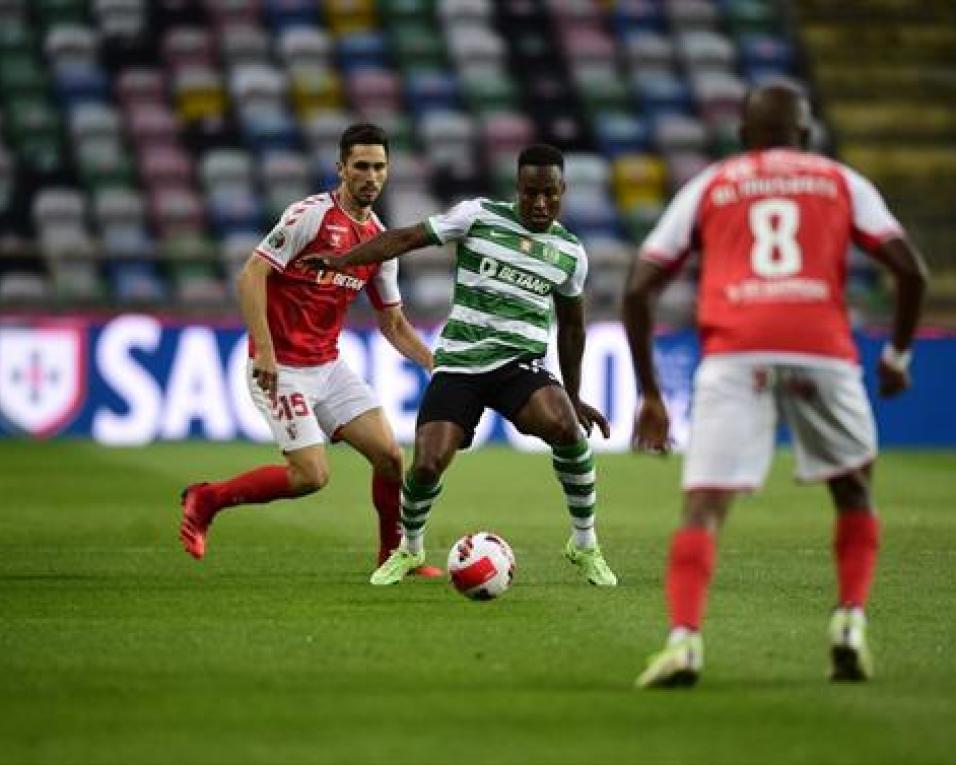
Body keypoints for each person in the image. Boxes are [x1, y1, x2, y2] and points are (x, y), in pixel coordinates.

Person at [622, 83, 928, 688]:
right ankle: (848, 623)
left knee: (704, 506)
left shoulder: (713, 184)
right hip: (821, 347)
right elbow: (910, 270)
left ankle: (684, 641)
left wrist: (651, 394)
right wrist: (895, 354)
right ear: (807, 135)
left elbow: (638, 288)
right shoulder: (841, 181)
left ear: (742, 137)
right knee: (855, 492)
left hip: (737, 349)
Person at [310, 143, 618, 587]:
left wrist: (574, 394)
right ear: (518, 187)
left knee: (567, 429)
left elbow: (572, 329)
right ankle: (409, 550)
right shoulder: (478, 216)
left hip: (520, 363)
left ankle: (585, 544)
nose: (539, 203)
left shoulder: (570, 253)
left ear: (562, 190)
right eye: (530, 192)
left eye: (549, 193)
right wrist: (343, 260)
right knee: (428, 465)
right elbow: (405, 238)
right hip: (460, 363)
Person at [179, 123, 441, 578]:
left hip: (328, 365)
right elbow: (252, 276)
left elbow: (393, 323)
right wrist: (262, 350)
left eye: (379, 167)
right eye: (361, 166)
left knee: (390, 457)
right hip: (280, 366)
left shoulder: (380, 242)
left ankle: (393, 556)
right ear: (341, 168)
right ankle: (208, 498)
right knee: (310, 476)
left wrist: (437, 366)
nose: (371, 176)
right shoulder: (310, 217)